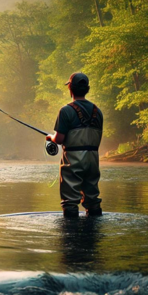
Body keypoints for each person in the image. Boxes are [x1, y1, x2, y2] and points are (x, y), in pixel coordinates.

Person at [46, 72, 103, 218]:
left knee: (70, 201)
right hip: (93, 160)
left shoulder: (66, 111)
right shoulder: (98, 112)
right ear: (87, 89)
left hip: (73, 159)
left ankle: (71, 236)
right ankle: (93, 235)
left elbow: (58, 139)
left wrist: (50, 137)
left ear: (70, 88)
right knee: (92, 200)